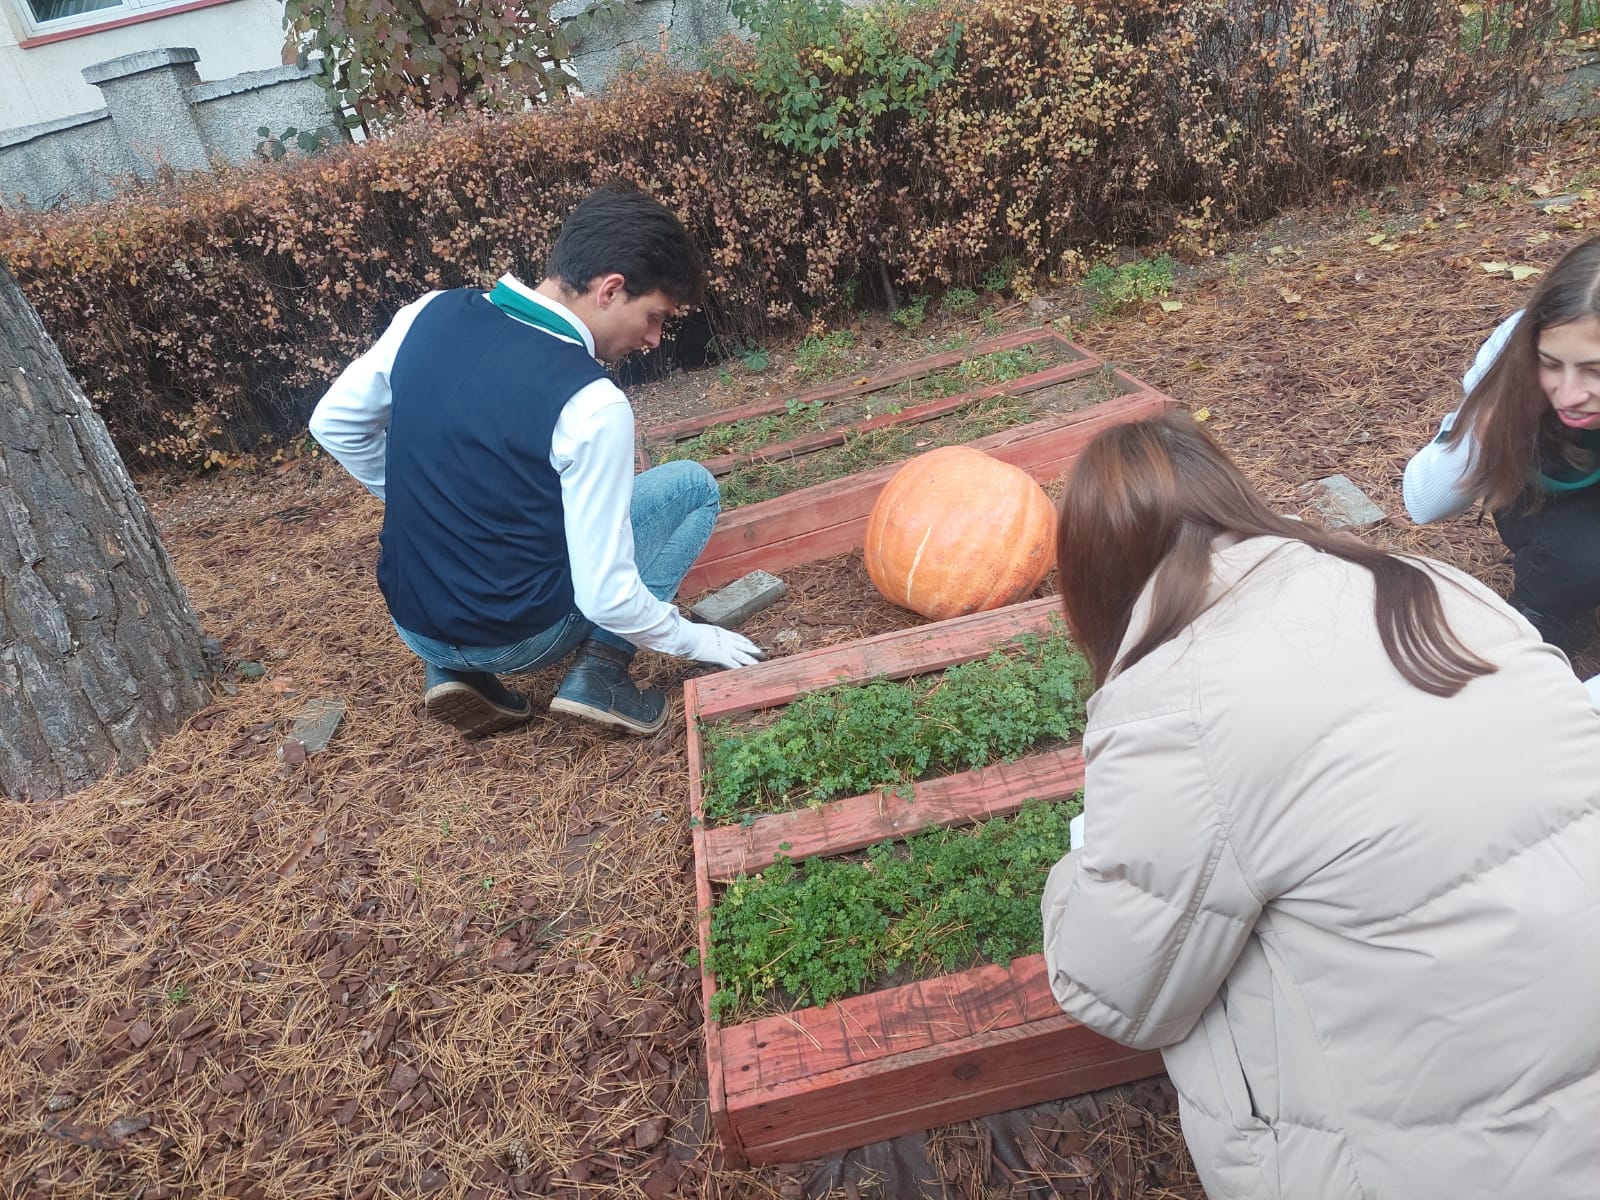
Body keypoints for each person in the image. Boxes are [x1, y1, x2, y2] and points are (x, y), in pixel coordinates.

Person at [1040, 411, 1600, 1199]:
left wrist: (1078, 867)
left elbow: (1114, 992)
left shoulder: (1172, 704)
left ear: (1094, 575)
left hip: (1431, 1167)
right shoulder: (1431, 582)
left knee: (1203, 952)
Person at [309, 186, 763, 739]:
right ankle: (602, 673)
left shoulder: (427, 314)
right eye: (654, 316)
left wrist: (425, 501)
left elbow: (333, 423)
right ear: (610, 289)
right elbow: (607, 597)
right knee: (691, 487)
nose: (653, 338)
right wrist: (695, 639)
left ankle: (454, 671)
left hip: (416, 624)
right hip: (521, 638)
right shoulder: (592, 404)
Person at [1403, 234, 1600, 656]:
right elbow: (1423, 504)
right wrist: (1492, 424)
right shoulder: (1514, 347)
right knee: (1582, 556)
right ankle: (1546, 604)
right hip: (1556, 507)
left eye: (1595, 371)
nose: (1569, 395)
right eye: (1551, 364)